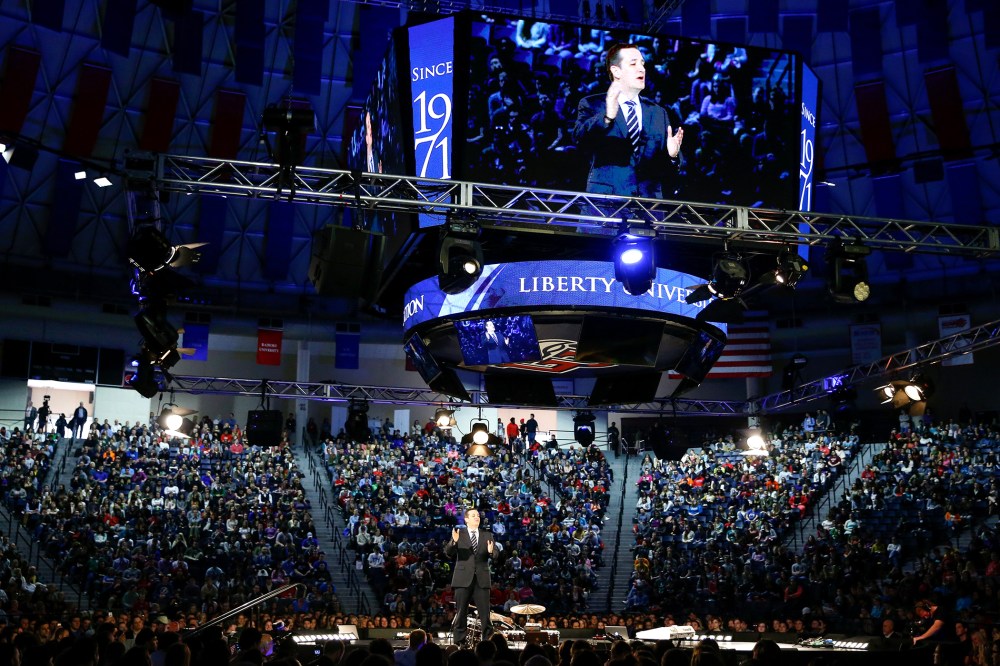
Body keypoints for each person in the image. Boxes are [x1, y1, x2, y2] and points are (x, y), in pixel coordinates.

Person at [573, 43, 683, 198]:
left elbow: (667, 169)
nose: (641, 69)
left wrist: (672, 156)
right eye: (633, 64)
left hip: (648, 209)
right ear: (616, 71)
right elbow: (579, 140)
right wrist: (606, 117)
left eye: (642, 64)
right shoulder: (592, 104)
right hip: (606, 207)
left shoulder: (658, 113)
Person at [445, 507, 497, 646]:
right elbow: (448, 552)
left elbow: (496, 555)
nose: (477, 517)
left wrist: (492, 552)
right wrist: (454, 542)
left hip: (482, 578)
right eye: (473, 515)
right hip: (463, 578)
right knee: (461, 613)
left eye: (478, 516)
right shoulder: (459, 534)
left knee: (485, 614)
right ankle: (460, 642)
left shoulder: (487, 535)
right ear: (466, 519)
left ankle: (487, 643)